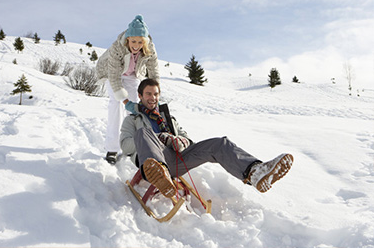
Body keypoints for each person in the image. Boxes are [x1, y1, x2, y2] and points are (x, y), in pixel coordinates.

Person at [120, 78, 293, 197]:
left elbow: (188, 140)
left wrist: (180, 141)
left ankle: (255, 172)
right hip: (151, 164)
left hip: (178, 158)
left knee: (220, 144)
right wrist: (158, 137)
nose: (153, 98)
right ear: (140, 96)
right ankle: (159, 173)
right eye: (148, 94)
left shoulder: (168, 119)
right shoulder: (133, 120)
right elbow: (125, 146)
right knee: (143, 132)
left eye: (156, 94)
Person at [96, 15, 160, 164]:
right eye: (133, 41)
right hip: (113, 74)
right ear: (128, 39)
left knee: (135, 110)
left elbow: (153, 71)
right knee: (116, 105)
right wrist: (124, 100)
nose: (136, 45)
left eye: (140, 42)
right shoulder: (117, 48)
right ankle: (112, 149)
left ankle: (136, 145)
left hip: (133, 76)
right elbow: (114, 77)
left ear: (144, 41)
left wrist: (154, 96)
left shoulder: (150, 49)